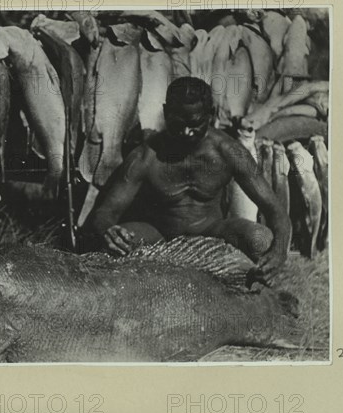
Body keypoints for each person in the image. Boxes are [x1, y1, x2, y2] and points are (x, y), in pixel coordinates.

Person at [90, 77, 291, 282]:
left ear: (210, 115)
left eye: (195, 124)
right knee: (112, 244)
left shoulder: (229, 152)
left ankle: (268, 302)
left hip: (212, 232)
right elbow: (106, 211)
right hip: (160, 235)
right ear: (166, 112)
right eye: (177, 124)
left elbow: (275, 210)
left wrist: (279, 250)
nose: (186, 132)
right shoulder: (145, 157)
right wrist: (109, 231)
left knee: (261, 240)